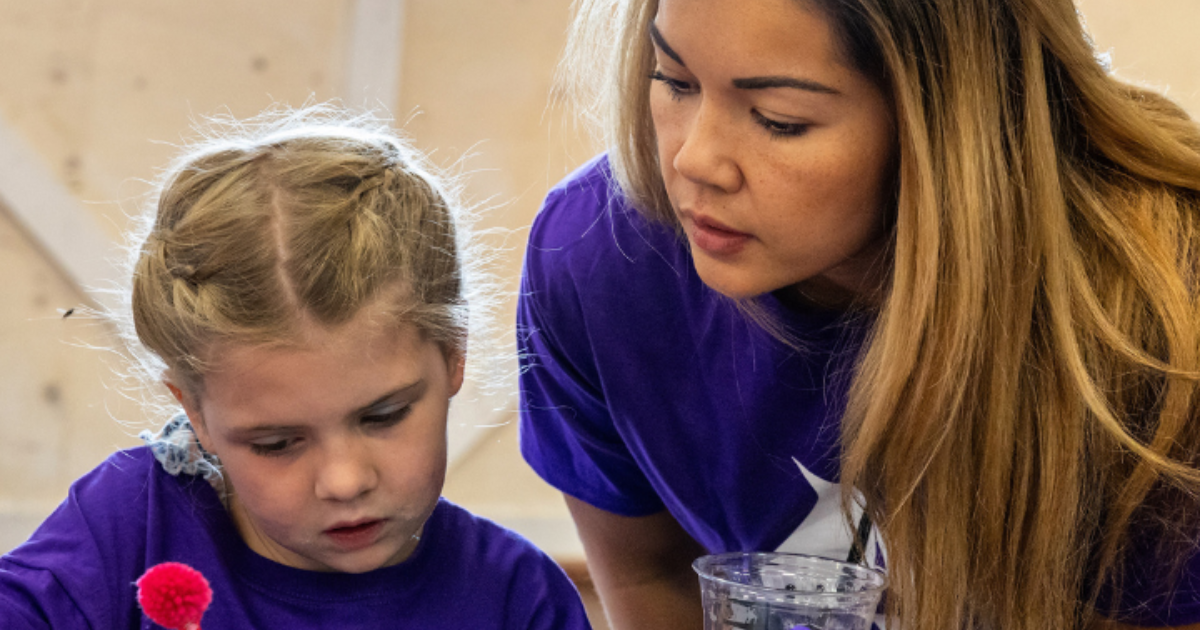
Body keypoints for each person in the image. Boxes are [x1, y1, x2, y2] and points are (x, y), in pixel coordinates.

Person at [516, 0, 1200, 628]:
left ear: (946, 125)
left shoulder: (1163, 321)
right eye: (673, 79)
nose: (694, 160)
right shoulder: (593, 258)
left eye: (778, 119)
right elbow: (649, 574)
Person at [0, 107, 593, 629]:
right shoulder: (129, 527)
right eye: (278, 443)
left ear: (453, 352)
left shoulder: (516, 598)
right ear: (194, 412)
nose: (343, 481)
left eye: (383, 416)